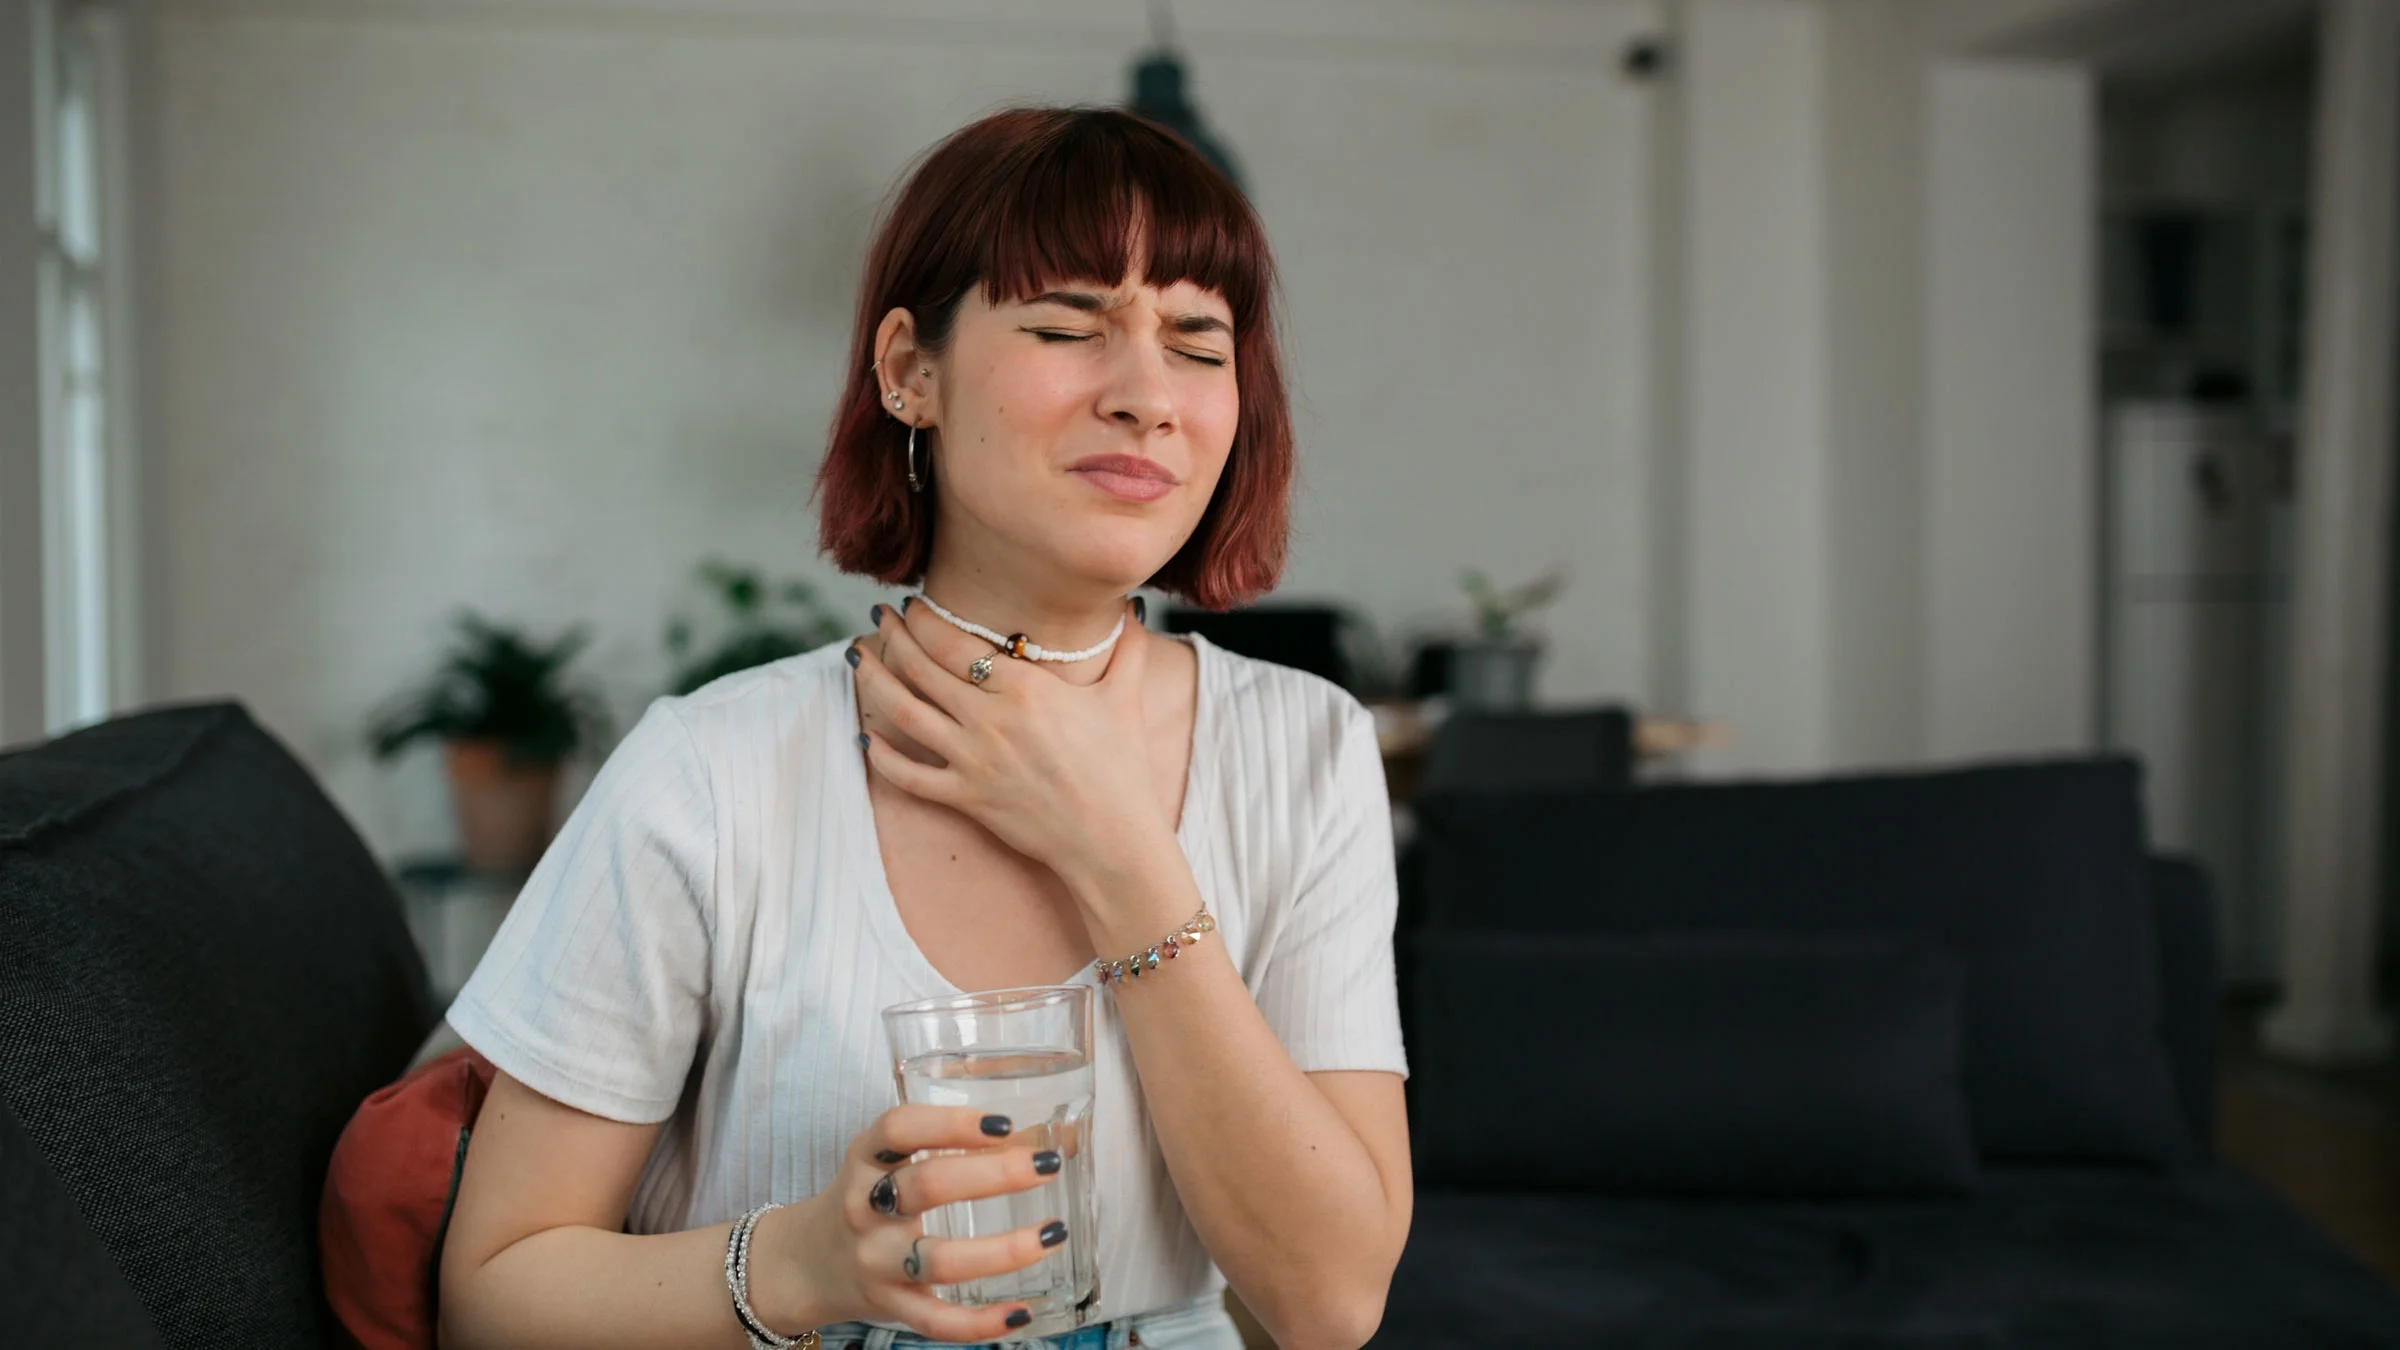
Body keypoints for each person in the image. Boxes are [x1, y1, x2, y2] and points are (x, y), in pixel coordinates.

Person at [435, 105, 1412, 1350]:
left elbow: (1331, 1305)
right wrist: (796, 1264)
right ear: (910, 370)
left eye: (1199, 342)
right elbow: (490, 1296)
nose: (1148, 397)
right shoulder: (713, 770)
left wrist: (1118, 855)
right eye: (1068, 327)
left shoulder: (1308, 750)